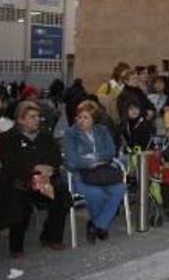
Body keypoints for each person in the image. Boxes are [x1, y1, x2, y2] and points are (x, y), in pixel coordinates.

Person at [0, 101, 71, 257]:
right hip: (20, 181)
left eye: (38, 116)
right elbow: (9, 164)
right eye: (32, 117)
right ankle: (16, 246)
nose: (37, 120)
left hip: (45, 180)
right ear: (21, 120)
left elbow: (56, 157)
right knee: (18, 201)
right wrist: (34, 168)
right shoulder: (9, 138)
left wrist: (50, 168)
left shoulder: (45, 136)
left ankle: (51, 237)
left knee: (62, 196)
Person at [63, 101, 126, 244]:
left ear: (93, 119)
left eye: (85, 118)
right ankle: (100, 226)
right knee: (95, 194)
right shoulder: (70, 134)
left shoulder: (102, 130)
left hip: (103, 173)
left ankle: (97, 224)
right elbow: (72, 161)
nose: (81, 121)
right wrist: (96, 159)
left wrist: (91, 157)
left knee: (120, 188)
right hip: (81, 174)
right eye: (79, 117)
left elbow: (110, 152)